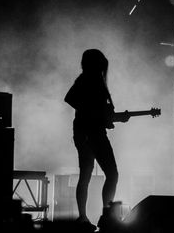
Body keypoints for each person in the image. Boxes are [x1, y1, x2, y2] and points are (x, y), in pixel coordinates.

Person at [64, 49, 129, 230]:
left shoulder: (95, 82)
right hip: (89, 133)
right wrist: (94, 115)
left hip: (91, 132)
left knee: (89, 175)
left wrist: (115, 118)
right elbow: (71, 99)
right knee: (108, 174)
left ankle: (88, 217)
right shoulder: (87, 80)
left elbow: (102, 115)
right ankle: (102, 216)